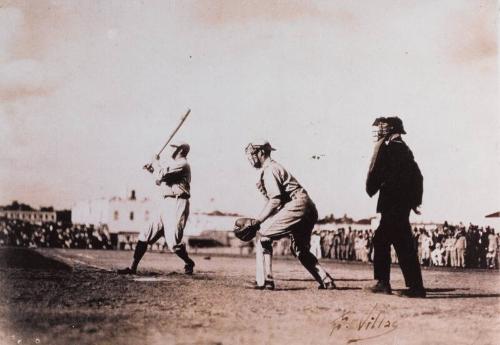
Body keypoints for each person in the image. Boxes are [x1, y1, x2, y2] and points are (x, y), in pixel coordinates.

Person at [244, 140, 335, 289]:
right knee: (300, 250)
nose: (250, 158)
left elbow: (275, 200)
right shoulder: (275, 167)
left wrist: (258, 221)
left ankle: (266, 280)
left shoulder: (269, 169)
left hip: (297, 204)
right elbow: (278, 203)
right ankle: (326, 279)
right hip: (308, 206)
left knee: (263, 236)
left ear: (261, 152)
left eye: (252, 154)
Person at [365, 116, 426, 298]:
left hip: (393, 204)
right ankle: (410, 286)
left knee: (387, 241)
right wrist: (414, 201)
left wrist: (374, 186)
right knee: (397, 242)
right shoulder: (403, 149)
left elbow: (378, 174)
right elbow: (418, 177)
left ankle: (390, 284)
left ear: (390, 129)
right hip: (400, 204)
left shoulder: (390, 148)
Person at [118, 141, 195, 275]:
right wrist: (152, 171)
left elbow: (161, 175)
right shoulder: (175, 165)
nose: (170, 150)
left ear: (181, 150)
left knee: (173, 244)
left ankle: (188, 262)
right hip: (166, 203)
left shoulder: (182, 163)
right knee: (145, 234)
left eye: (173, 148)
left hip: (178, 203)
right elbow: (160, 181)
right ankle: (132, 267)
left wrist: (155, 162)